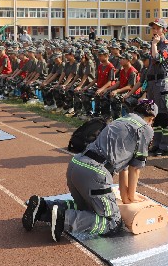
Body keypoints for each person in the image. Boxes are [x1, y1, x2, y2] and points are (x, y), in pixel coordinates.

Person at [22, 99, 157, 242]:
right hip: (95, 172)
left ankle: (43, 207)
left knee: (89, 207)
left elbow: (124, 169)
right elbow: (135, 169)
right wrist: (132, 197)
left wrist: (127, 198)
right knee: (113, 223)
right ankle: (64, 218)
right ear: (151, 118)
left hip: (76, 164)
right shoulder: (145, 129)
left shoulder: (120, 121)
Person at [147, 19, 168, 156]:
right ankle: (156, 144)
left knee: (164, 115)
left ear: (164, 30)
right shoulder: (154, 44)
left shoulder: (167, 45)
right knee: (155, 115)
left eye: (158, 28)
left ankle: (164, 146)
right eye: (153, 28)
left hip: (162, 83)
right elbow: (150, 67)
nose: (155, 31)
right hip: (153, 83)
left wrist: (154, 44)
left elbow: (158, 58)